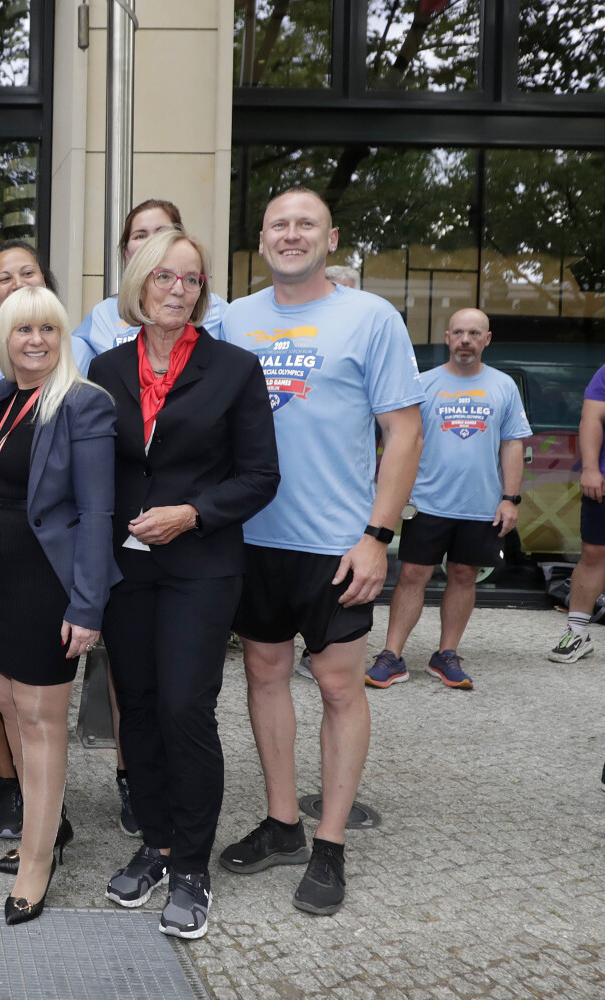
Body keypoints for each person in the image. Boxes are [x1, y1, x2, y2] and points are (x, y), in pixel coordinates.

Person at [219, 188, 424, 917]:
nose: (292, 234)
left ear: (330, 237)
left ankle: (330, 842)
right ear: (262, 238)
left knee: (339, 689)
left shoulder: (370, 317)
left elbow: (404, 432)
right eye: (279, 223)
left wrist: (378, 537)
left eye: (306, 223)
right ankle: (282, 823)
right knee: (265, 676)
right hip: (252, 540)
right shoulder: (232, 318)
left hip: (339, 547)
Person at [88, 229, 280, 939]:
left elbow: (261, 476)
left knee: (183, 709)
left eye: (192, 279)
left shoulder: (234, 368)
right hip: (127, 567)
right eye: (164, 277)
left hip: (201, 565)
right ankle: (158, 843)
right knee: (135, 707)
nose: (177, 289)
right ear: (139, 283)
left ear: (203, 291)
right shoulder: (105, 369)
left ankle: (193, 866)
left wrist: (194, 513)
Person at [0, 284, 118, 924]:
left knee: (40, 717)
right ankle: (46, 828)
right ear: (5, 338)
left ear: (63, 338)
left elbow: (97, 511)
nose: (35, 341)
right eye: (23, 330)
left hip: (47, 579)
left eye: (48, 330)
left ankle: (37, 860)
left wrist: (87, 605)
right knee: (3, 700)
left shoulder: (83, 405)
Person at [368, 308, 530, 690]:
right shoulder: (422, 384)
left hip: (480, 504)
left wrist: (510, 498)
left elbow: (513, 445)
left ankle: (446, 655)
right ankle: (391, 656)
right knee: (412, 575)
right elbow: (402, 442)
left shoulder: (504, 386)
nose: (465, 340)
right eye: (458, 332)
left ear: (486, 340)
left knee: (463, 575)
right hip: (426, 501)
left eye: (474, 333)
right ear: (447, 337)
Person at [74, 199, 227, 360]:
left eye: (162, 233)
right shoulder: (102, 315)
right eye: (140, 235)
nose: (151, 242)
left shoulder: (219, 311)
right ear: (126, 253)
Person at [548, 362, 605, 663]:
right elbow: (592, 418)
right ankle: (577, 633)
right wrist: (591, 468)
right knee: (594, 554)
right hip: (604, 480)